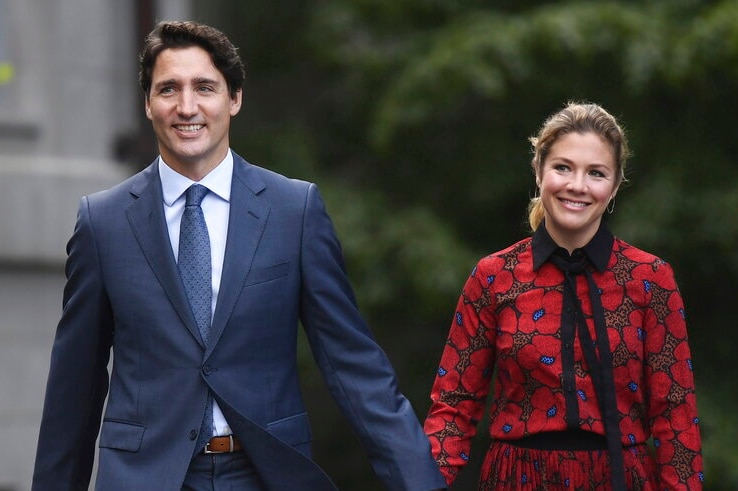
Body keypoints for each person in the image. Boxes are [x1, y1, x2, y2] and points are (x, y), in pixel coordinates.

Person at [32, 20, 446, 491]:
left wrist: (420, 484)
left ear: (234, 99)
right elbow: (75, 389)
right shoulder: (102, 222)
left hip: (264, 474)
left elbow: (354, 366)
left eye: (204, 87)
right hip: (144, 478)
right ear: (148, 103)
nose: (187, 107)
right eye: (169, 89)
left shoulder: (295, 210)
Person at [423, 102, 703, 490]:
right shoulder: (494, 277)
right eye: (563, 167)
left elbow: (676, 415)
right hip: (516, 480)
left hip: (622, 478)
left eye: (596, 173)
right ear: (539, 171)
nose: (577, 185)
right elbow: (454, 405)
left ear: (615, 185)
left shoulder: (649, 278)